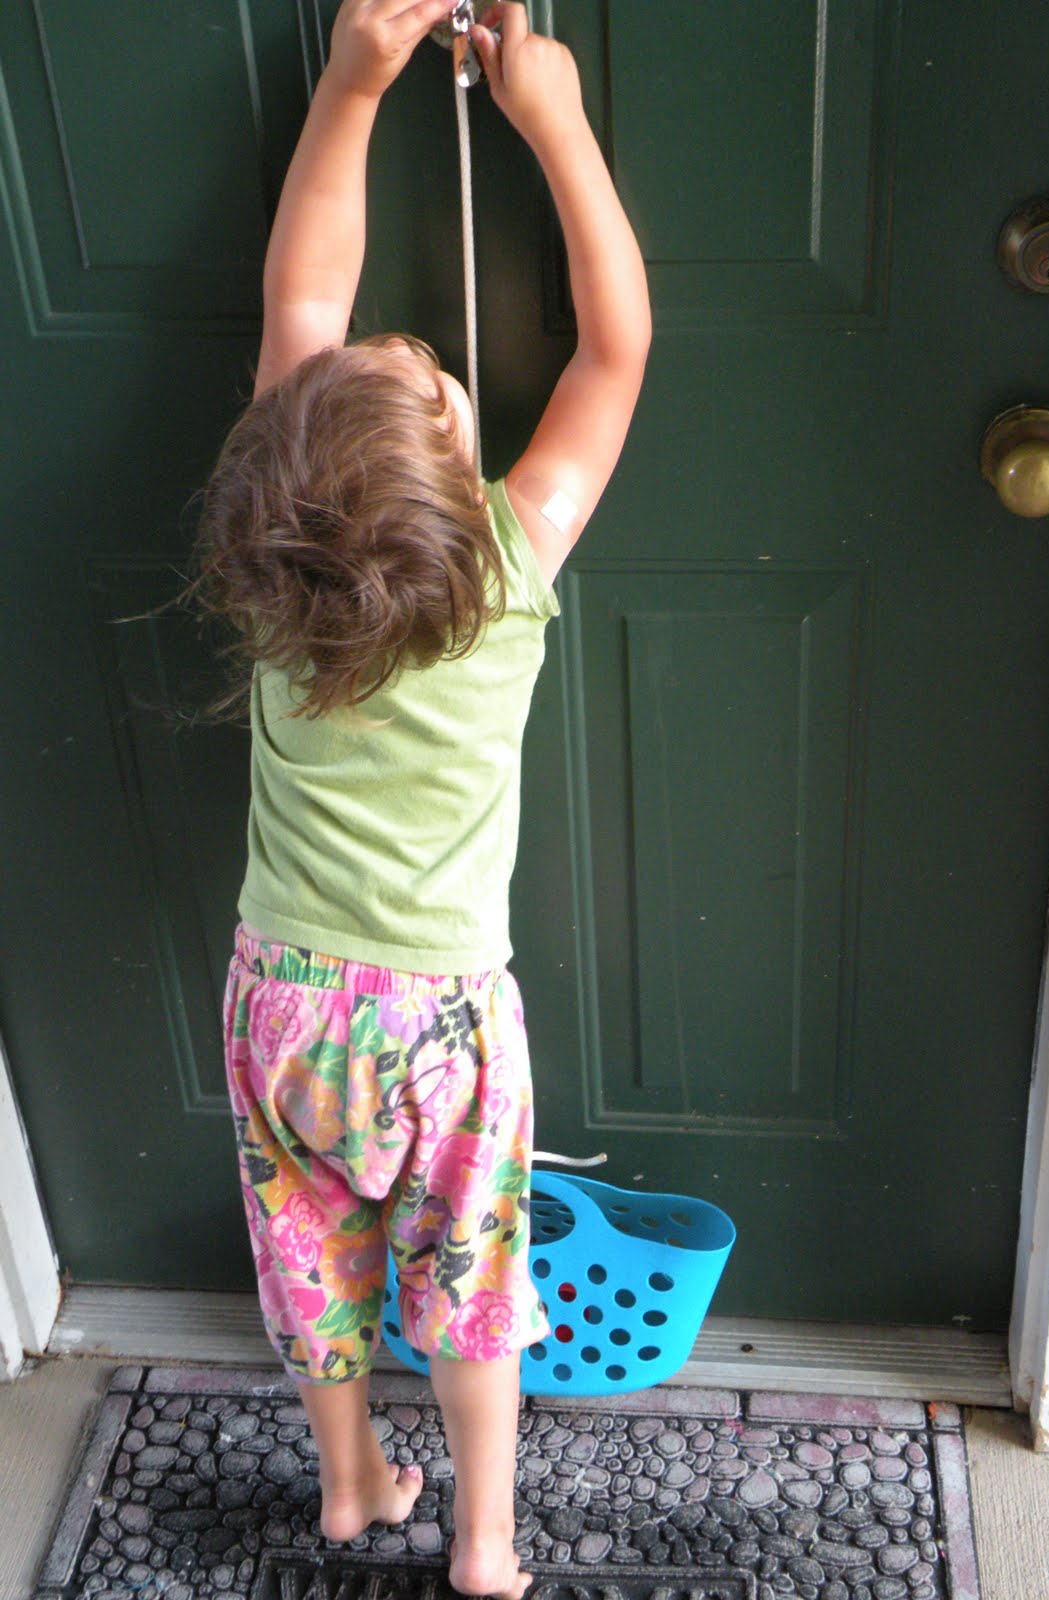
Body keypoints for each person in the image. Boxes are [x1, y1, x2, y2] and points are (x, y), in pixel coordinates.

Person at [195, 0, 650, 1591]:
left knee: (310, 1262)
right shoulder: (509, 574)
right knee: (469, 1281)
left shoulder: (271, 567)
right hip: (440, 1030)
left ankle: (345, 1486)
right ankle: (487, 1544)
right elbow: (614, 350)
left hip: (281, 1004)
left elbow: (302, 295)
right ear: (469, 497)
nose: (422, 350)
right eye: (439, 385)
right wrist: (555, 116)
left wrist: (353, 80)